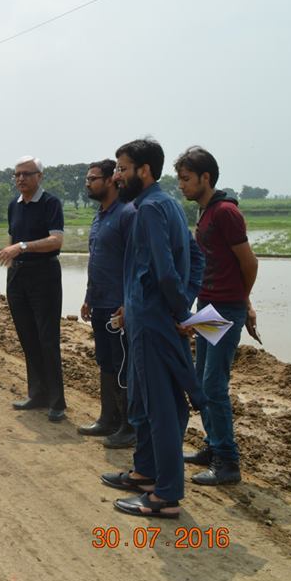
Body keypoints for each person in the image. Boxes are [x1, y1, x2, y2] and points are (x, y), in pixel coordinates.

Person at [100, 138, 205, 519]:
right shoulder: (166, 206)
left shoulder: (147, 211)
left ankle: (165, 496)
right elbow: (195, 258)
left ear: (144, 171)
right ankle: (146, 473)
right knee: (146, 402)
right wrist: (185, 306)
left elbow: (164, 271)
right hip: (151, 317)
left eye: (123, 169)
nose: (117, 175)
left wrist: (181, 312)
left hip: (154, 323)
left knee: (161, 407)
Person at [175, 146, 258, 485]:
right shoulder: (205, 211)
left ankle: (227, 462)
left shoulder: (225, 212)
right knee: (201, 379)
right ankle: (212, 446)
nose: (181, 185)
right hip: (210, 307)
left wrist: (243, 301)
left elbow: (249, 263)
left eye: (186, 179)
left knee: (214, 385)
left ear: (205, 178)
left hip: (225, 308)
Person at [0, 155, 67, 422]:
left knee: (48, 339)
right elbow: (12, 236)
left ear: (40, 176)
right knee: (27, 336)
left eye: (26, 174)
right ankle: (36, 393)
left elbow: (56, 241)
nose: (20, 179)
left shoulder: (51, 203)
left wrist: (22, 246)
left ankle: (57, 402)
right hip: (18, 276)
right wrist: (13, 254)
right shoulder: (14, 205)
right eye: (17, 174)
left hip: (44, 275)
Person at [78, 159, 137, 448]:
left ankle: (129, 426)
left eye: (93, 179)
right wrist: (89, 296)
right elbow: (96, 259)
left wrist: (128, 303)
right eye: (87, 179)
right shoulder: (99, 215)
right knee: (105, 361)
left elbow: (133, 263)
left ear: (111, 180)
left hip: (118, 307)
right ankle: (108, 419)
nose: (88, 184)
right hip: (100, 302)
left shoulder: (127, 214)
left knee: (123, 363)